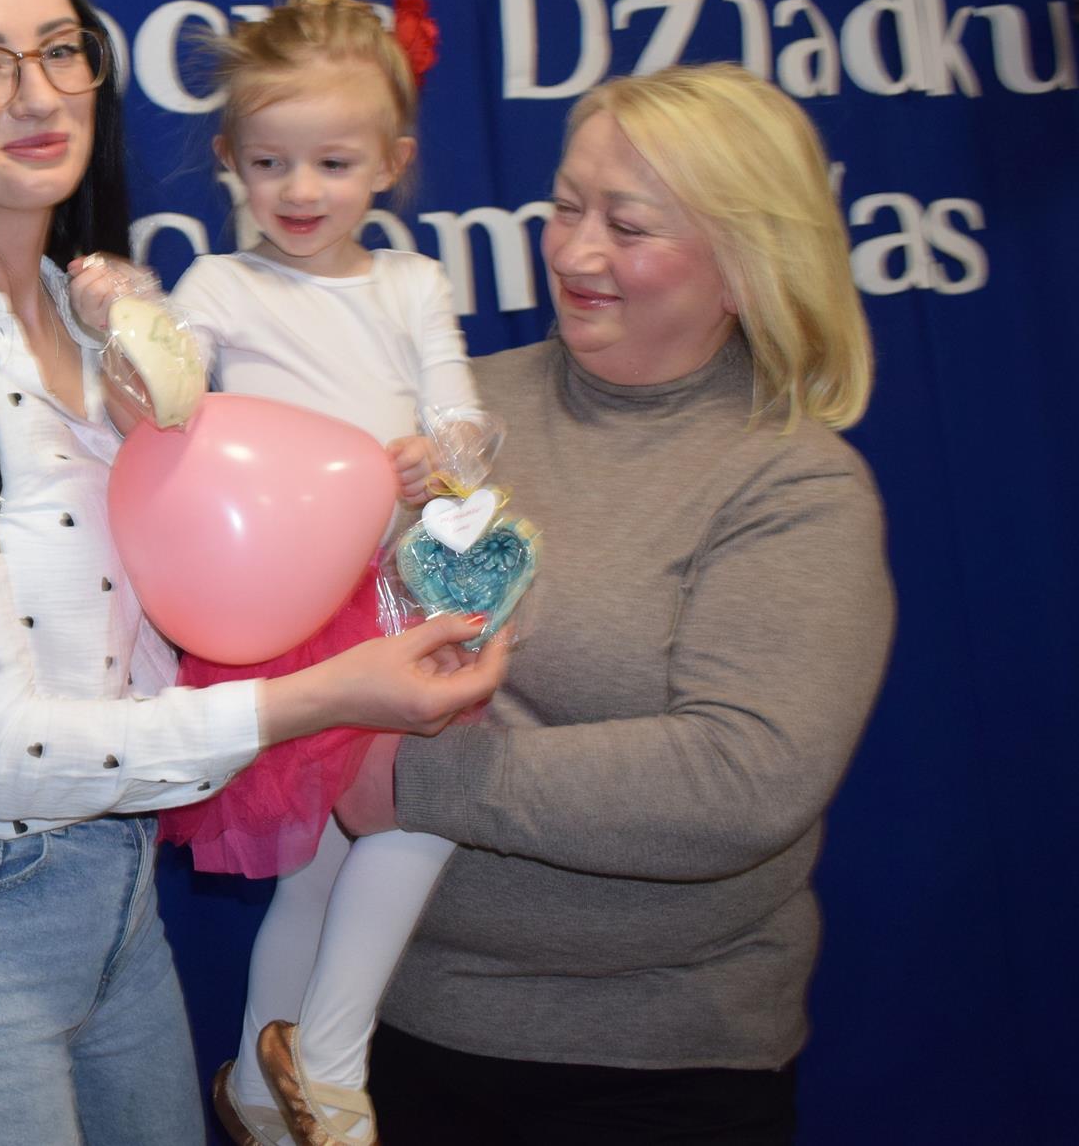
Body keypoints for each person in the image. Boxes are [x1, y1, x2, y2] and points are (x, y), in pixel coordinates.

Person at [0, 0, 509, 1146]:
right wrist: (322, 698)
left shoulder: (117, 340)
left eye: (61, 51)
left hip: (118, 902)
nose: (37, 94)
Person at [332, 63, 894, 1145]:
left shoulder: (791, 484)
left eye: (627, 227)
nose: (574, 252)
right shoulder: (453, 423)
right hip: (392, 1032)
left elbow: (740, 779)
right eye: (564, 207)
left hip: (654, 1072)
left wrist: (408, 778)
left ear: (745, 264)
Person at [75, 0, 482, 1146]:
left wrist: (444, 454)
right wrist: (125, 325)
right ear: (228, 161)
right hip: (292, 613)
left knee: (348, 850)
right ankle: (330, 1064)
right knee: (385, 829)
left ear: (390, 165)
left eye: (333, 164)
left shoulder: (410, 285)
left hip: (401, 591)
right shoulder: (221, 287)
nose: (299, 191)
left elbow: (460, 413)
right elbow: (161, 399)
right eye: (269, 163)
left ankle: (262, 1089)